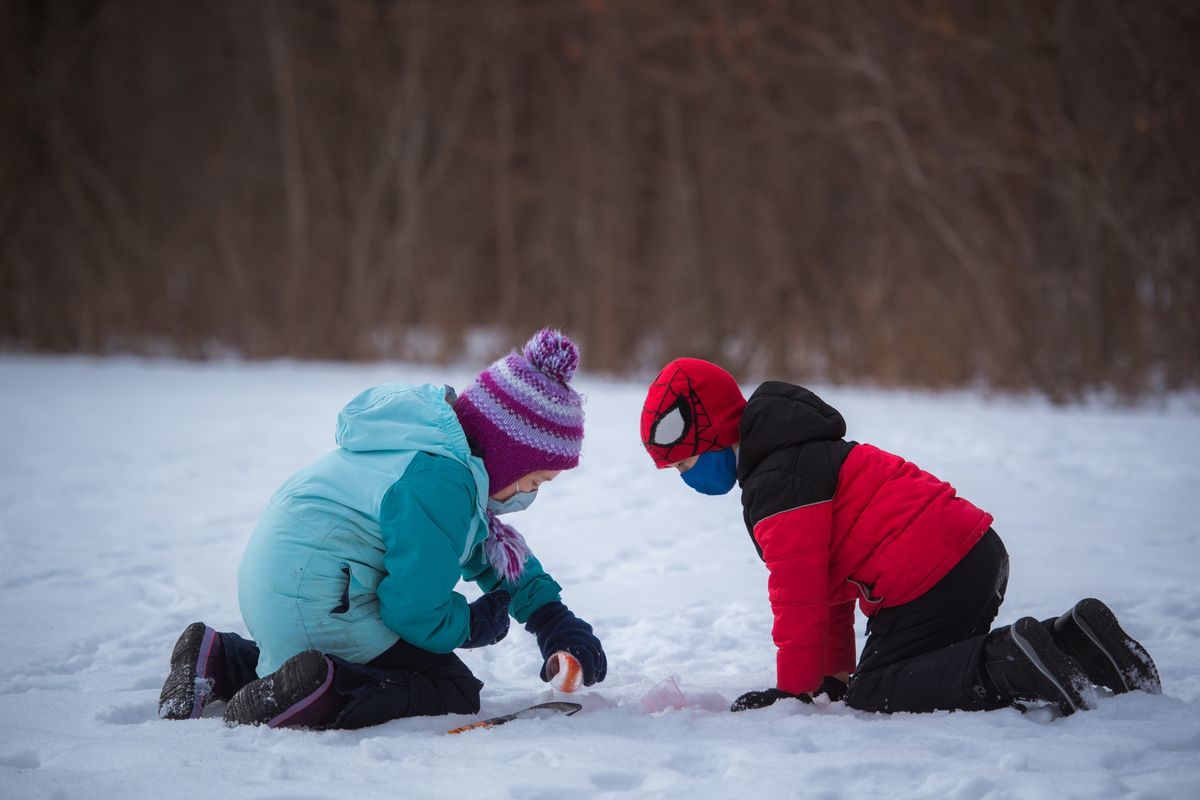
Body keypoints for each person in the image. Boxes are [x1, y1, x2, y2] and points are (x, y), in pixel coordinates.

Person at [639, 357, 1160, 716]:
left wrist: (792, 693)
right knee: (915, 671)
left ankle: (1017, 663)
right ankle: (1079, 640)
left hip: (934, 574)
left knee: (880, 691)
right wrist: (833, 677)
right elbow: (828, 590)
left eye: (685, 461)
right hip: (974, 554)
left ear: (711, 430)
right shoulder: (791, 456)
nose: (688, 477)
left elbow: (797, 596)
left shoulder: (777, 481)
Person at [158, 329, 606, 730]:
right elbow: (413, 610)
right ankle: (319, 690)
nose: (530, 494)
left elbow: (487, 551)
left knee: (407, 661)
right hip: (319, 599)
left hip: (285, 588)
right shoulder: (442, 484)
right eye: (533, 480)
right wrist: (469, 625)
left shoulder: (427, 449)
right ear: (504, 455)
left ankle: (221, 659)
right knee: (452, 688)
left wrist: (555, 622)